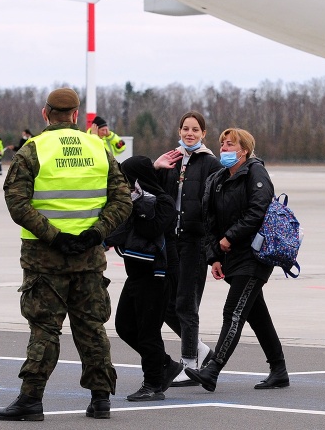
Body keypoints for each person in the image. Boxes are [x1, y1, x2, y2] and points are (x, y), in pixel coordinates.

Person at [0, 87, 132, 421]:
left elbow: (16, 200)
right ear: (75, 115)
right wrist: (96, 233)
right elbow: (123, 199)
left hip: (46, 258)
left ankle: (31, 399)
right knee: (91, 328)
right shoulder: (99, 148)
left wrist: (54, 237)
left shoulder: (33, 149)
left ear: (45, 113)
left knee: (45, 329)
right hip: (88, 257)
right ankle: (101, 399)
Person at [185, 128, 289, 392]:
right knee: (257, 315)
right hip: (231, 257)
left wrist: (230, 237)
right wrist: (214, 257)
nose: (225, 149)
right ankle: (279, 370)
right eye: (222, 144)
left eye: (230, 145)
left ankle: (213, 369)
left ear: (244, 150)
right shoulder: (218, 178)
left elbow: (259, 209)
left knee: (232, 312)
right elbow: (210, 221)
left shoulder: (255, 172)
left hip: (254, 255)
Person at [106, 156, 183, 402]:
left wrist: (136, 202)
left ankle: (153, 384)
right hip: (136, 274)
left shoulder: (164, 202)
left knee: (149, 332)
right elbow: (120, 231)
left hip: (157, 275)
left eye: (130, 179)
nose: (127, 184)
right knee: (125, 326)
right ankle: (166, 365)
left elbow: (150, 229)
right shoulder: (133, 202)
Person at [153, 111, 221, 386]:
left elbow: (217, 206)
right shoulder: (172, 159)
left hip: (195, 242)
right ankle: (201, 350)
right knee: (167, 303)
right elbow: (156, 195)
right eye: (185, 129)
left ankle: (189, 364)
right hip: (172, 241)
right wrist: (156, 170)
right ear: (179, 131)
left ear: (203, 133)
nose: (189, 133)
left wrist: (215, 246)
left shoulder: (210, 163)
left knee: (186, 305)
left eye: (195, 129)